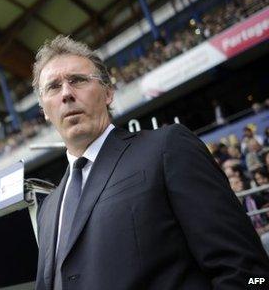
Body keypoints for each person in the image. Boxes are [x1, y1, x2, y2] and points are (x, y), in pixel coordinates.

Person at [32, 35, 269, 290]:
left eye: (77, 80)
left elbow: (248, 271)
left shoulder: (166, 147)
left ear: (109, 92)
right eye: (53, 87)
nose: (66, 93)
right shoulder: (48, 210)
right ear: (45, 110)